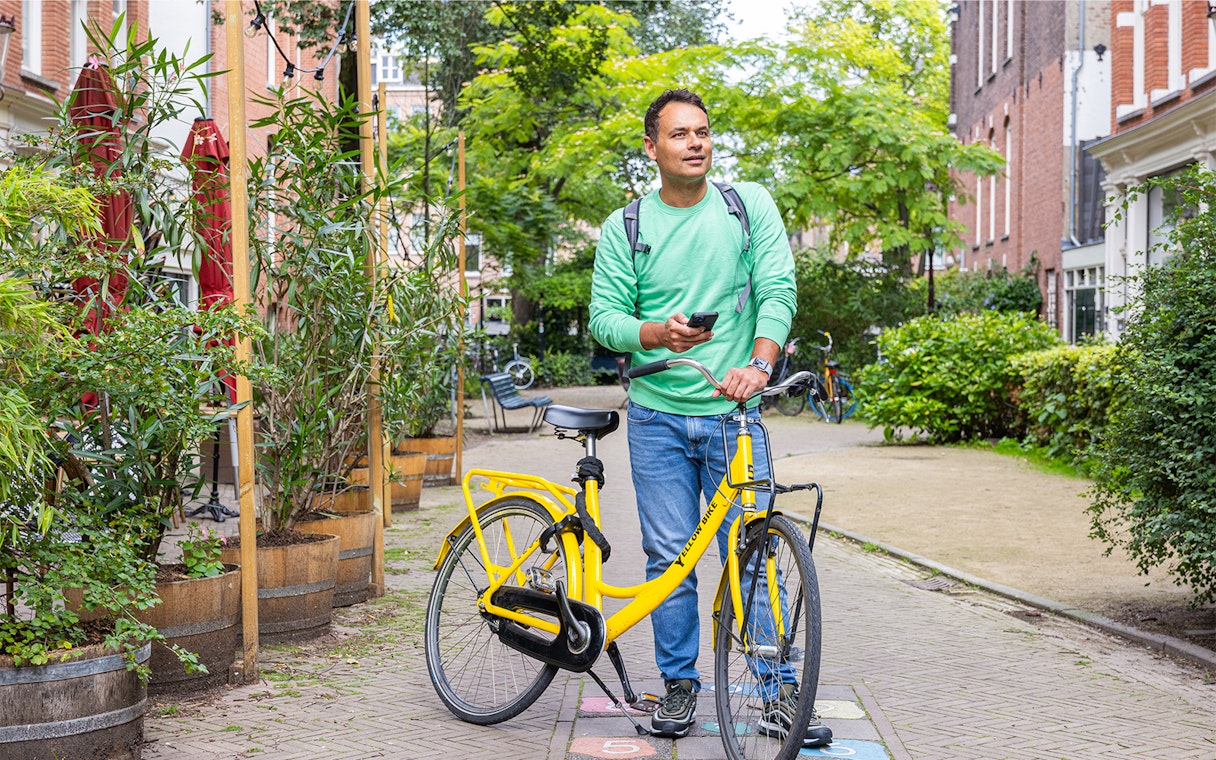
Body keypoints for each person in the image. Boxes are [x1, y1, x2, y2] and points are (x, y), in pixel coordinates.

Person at [588, 89, 832, 748]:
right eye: (679, 134)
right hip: (658, 419)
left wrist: (760, 362)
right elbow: (604, 317)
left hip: (737, 417)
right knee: (669, 561)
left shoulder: (746, 207)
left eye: (702, 131)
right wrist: (655, 334)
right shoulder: (626, 227)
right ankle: (679, 686)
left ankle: (777, 690)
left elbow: (778, 287)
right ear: (652, 148)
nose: (695, 142)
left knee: (752, 557)